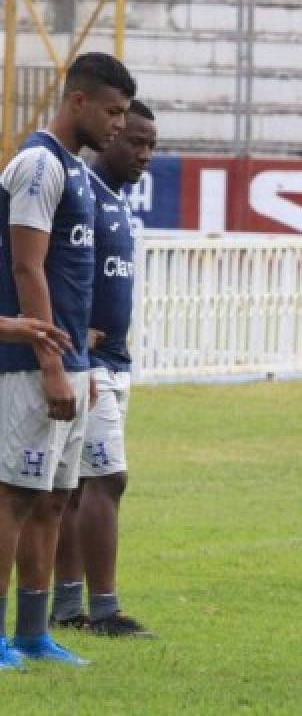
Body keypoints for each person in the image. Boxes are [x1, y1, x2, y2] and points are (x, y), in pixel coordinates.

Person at [0, 52, 136, 670]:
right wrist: (50, 362)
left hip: (77, 363)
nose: (118, 124)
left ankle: (32, 632)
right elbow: (28, 265)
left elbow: (73, 277)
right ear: (77, 101)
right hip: (32, 366)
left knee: (53, 498)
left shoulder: (78, 174)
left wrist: (83, 367)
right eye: (112, 111)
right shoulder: (37, 165)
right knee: (12, 496)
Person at [50, 99, 157, 637]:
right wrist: (74, 335)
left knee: (74, 484)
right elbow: (48, 265)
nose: (144, 154)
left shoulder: (113, 198)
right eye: (135, 140)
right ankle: (106, 610)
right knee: (106, 480)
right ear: (109, 133)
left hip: (113, 358)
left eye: (151, 146)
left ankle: (68, 608)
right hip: (88, 361)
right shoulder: (81, 193)